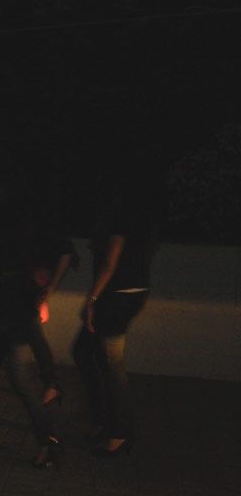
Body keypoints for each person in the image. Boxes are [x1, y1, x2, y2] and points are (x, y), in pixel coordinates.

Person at [0, 204, 75, 468]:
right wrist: (46, 293)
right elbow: (64, 252)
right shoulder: (30, 219)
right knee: (21, 375)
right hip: (22, 306)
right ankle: (48, 441)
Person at [73, 189, 157, 457]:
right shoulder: (141, 223)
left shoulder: (121, 221)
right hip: (127, 294)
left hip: (118, 297)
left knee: (111, 363)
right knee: (85, 351)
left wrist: (92, 300)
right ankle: (103, 421)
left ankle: (119, 434)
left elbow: (110, 263)